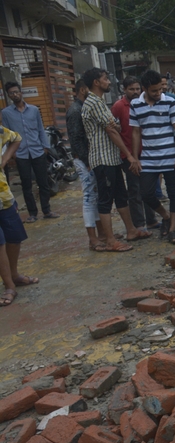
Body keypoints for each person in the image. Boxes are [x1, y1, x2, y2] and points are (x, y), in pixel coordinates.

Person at [81, 67, 151, 252]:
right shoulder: (94, 102)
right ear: (96, 82)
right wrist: (129, 155)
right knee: (106, 199)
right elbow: (112, 130)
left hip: (111, 159)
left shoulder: (99, 102)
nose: (109, 82)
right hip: (102, 159)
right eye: (105, 79)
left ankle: (131, 230)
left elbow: (114, 126)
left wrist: (115, 127)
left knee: (121, 196)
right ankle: (110, 240)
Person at [129, 70, 175, 244]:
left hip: (170, 156)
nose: (158, 93)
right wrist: (135, 158)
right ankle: (165, 216)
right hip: (148, 158)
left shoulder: (170, 102)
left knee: (174, 193)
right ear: (145, 88)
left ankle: (173, 230)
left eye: (160, 89)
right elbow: (136, 132)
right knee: (146, 193)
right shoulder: (135, 105)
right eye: (154, 91)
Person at [1, 82, 59, 223]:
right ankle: (32, 213)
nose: (15, 95)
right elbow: (7, 135)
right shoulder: (6, 113)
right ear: (8, 96)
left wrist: (45, 147)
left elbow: (40, 129)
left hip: (37, 151)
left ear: (21, 92)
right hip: (21, 154)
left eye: (16, 92)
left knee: (43, 182)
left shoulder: (33, 110)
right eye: (11, 93)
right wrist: (12, 154)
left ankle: (47, 210)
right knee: (26, 185)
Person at [111, 76, 159, 231]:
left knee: (149, 188)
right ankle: (139, 224)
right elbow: (114, 130)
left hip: (147, 153)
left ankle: (152, 220)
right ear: (124, 90)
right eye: (131, 89)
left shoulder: (145, 103)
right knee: (134, 190)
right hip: (129, 155)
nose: (135, 92)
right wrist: (128, 155)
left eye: (137, 89)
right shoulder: (119, 107)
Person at [0, 111, 38, 306]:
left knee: (14, 237)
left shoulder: (0, 132)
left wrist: (5, 159)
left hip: (4, 195)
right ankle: (9, 286)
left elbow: (16, 138)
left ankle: (13, 275)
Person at [67, 79, 107, 251]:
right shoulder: (76, 111)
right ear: (83, 90)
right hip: (85, 160)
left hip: (88, 159)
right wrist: (86, 160)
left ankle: (101, 234)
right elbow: (76, 139)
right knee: (89, 198)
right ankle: (93, 238)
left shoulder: (81, 108)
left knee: (95, 196)